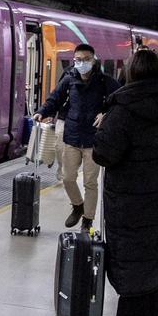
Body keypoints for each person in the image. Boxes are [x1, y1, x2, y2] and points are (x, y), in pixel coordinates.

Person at [91, 50, 158, 316]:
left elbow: (104, 155)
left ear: (129, 73)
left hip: (129, 194)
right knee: (154, 249)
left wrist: (102, 129)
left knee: (130, 250)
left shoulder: (124, 107)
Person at [33, 44, 120, 232]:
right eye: (78, 60)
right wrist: (42, 112)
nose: (82, 63)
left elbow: (119, 100)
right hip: (72, 136)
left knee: (90, 182)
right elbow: (54, 98)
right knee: (68, 177)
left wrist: (106, 113)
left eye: (86, 59)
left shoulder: (105, 81)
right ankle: (78, 205)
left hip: (93, 140)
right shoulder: (69, 79)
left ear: (94, 60)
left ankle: (88, 219)